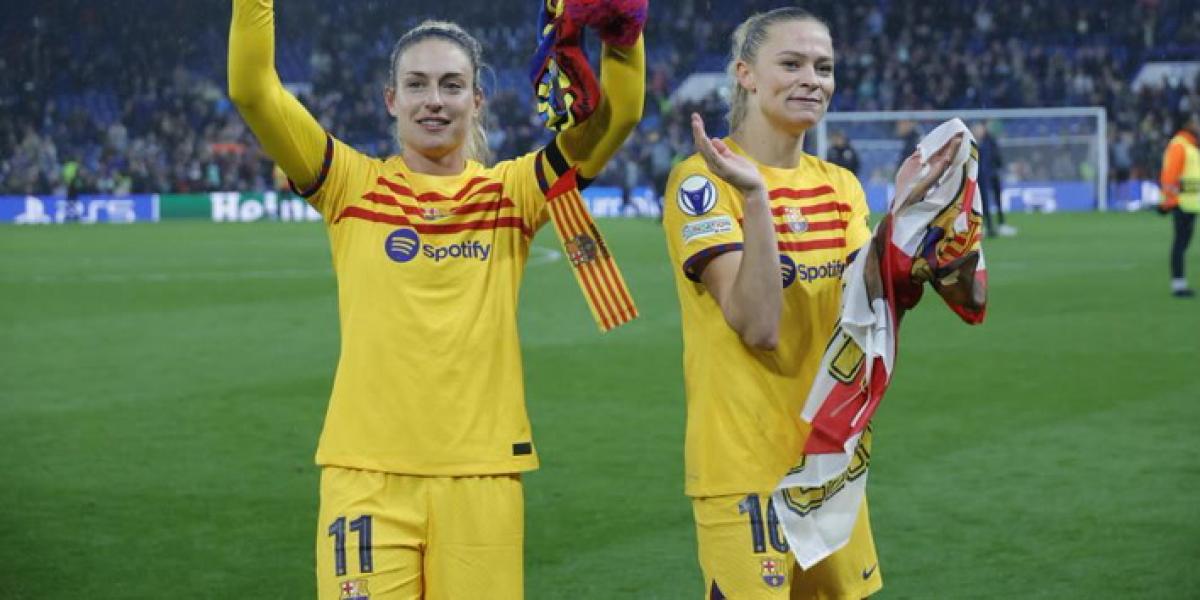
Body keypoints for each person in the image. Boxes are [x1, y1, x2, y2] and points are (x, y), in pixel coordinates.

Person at [227, 1, 644, 598]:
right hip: (366, 475)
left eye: (453, 86)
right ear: (390, 98)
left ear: (477, 101)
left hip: (484, 477)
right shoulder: (350, 183)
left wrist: (624, 37)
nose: (434, 100)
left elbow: (620, 115)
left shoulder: (514, 192)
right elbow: (252, 89)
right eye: (416, 85)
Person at [661, 8, 881, 599]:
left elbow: (870, 316)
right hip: (744, 469)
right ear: (746, 74)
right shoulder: (700, 182)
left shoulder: (841, 186)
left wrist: (921, 245)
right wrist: (755, 197)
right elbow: (757, 324)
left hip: (830, 468)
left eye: (824, 67)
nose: (813, 78)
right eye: (792, 63)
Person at [1160, 111, 1200, 298]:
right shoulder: (1180, 145)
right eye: (1194, 121)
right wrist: (1170, 201)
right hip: (1182, 203)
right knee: (1180, 244)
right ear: (1187, 123)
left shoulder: (1189, 145)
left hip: (1191, 203)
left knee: (1183, 243)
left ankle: (1179, 283)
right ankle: (1178, 284)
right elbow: (1170, 177)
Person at [971, 121, 1016, 237]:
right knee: (983, 202)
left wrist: (998, 167)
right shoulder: (974, 143)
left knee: (998, 199)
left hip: (993, 173)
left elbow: (997, 155)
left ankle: (1001, 224)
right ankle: (988, 226)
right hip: (981, 176)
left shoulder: (990, 141)